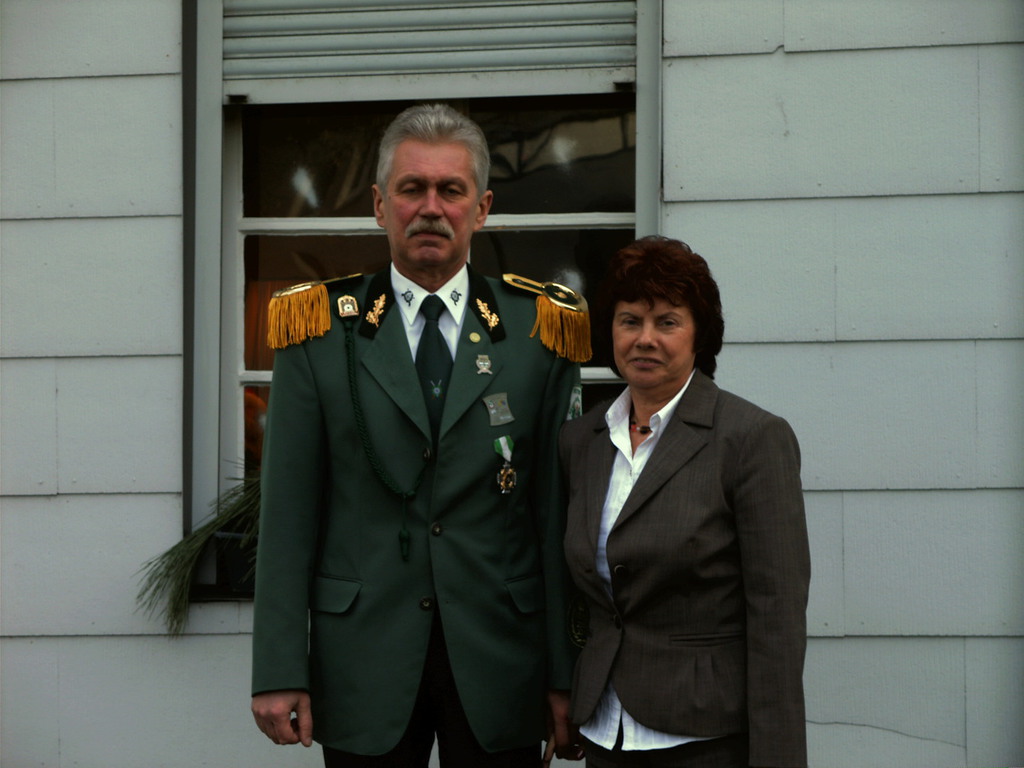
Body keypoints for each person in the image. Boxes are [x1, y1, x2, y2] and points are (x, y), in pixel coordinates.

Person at [250, 103, 587, 767]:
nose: (431, 207)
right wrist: (278, 667)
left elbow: (555, 515)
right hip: (362, 661)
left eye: (450, 190)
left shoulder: (537, 331)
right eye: (412, 188)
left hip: (501, 660)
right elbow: (288, 514)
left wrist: (565, 670)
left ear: (481, 209)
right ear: (380, 205)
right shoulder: (320, 331)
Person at [559, 236, 810, 768]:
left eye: (667, 322)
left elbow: (777, 621)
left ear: (701, 334)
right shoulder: (582, 442)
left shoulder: (750, 439)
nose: (645, 339)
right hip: (605, 731)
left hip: (704, 737)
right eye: (629, 321)